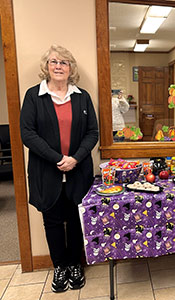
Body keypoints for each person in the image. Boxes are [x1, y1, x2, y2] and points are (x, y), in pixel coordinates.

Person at [20, 45, 98, 293]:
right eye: (54, 61)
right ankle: (60, 267)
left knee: (76, 220)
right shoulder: (34, 96)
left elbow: (92, 132)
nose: (59, 66)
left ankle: (75, 264)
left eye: (64, 62)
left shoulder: (82, 96)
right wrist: (57, 158)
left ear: (71, 68)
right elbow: (27, 134)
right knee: (52, 221)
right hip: (47, 172)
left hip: (78, 170)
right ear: (46, 66)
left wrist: (74, 158)